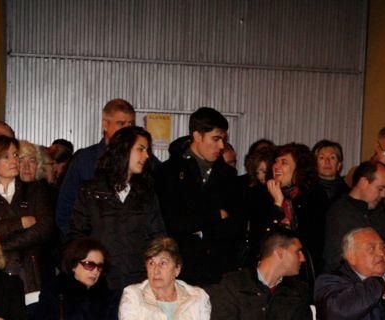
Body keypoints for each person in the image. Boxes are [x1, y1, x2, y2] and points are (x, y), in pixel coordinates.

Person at [68, 126, 165, 292]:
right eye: (141, 149)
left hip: (137, 284)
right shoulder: (90, 191)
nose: (146, 156)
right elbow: (76, 237)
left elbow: (158, 238)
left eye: (147, 150)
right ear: (124, 149)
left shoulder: (147, 194)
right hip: (99, 282)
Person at [156, 107, 244, 286]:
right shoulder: (167, 173)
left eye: (223, 140)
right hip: (179, 272)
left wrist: (199, 220)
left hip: (219, 274)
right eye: (216, 139)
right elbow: (172, 222)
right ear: (197, 136)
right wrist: (216, 215)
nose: (221, 146)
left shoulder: (229, 176)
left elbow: (236, 225)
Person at [0, 135, 56, 293]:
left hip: (29, 275)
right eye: (6, 157)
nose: (14, 161)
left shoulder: (35, 190)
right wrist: (19, 223)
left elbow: (43, 230)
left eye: (15, 155)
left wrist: (0, 243)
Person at [246, 143, 327, 281]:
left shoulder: (314, 196)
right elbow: (262, 239)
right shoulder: (260, 194)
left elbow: (314, 241)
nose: (276, 166)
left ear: (299, 169)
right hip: (268, 272)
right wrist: (277, 203)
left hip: (301, 272)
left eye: (284, 163)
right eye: (276, 162)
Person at [56, 99, 136, 233]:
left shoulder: (143, 160)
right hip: (91, 245)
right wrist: (77, 244)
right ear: (105, 124)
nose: (127, 130)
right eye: (121, 124)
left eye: (130, 124)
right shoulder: (84, 160)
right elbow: (65, 207)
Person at [321, 160, 385, 273]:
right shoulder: (340, 213)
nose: (383, 195)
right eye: (380, 189)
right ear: (363, 182)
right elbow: (336, 261)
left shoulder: (380, 215)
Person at [313, 140, 346, 206]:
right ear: (315, 164)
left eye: (332, 157)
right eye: (322, 158)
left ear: (339, 165)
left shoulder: (348, 193)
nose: (327, 161)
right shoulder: (306, 191)